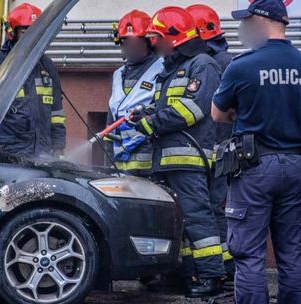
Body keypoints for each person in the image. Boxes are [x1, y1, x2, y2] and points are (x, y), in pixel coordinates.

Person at [211, 0, 301, 303]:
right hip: (298, 165)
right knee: (293, 253)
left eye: (247, 21)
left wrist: (241, 112)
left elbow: (217, 115)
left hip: (254, 168)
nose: (243, 27)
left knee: (248, 253)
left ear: (259, 21)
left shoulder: (242, 65)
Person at [129, 6, 224, 297]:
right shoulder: (170, 69)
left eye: (156, 36)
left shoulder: (202, 64)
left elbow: (193, 109)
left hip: (188, 157)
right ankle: (181, 275)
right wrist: (143, 113)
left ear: (175, 36)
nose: (153, 43)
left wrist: (152, 122)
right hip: (167, 158)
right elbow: (164, 107)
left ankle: (212, 277)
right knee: (177, 221)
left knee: (197, 217)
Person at [0, 3, 66, 158]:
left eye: (37, 32)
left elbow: (57, 112)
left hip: (42, 153)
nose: (32, 37)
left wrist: (58, 147)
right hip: (6, 154)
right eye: (25, 31)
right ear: (11, 33)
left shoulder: (47, 66)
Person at [186, 3, 235, 279]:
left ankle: (225, 271)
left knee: (215, 210)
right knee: (212, 210)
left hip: (218, 152)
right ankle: (221, 270)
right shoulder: (219, 60)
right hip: (214, 151)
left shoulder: (216, 64)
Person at [105, 9, 163, 175]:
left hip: (149, 162)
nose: (129, 47)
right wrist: (108, 157)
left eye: (133, 42)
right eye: (125, 41)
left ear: (148, 42)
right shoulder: (118, 75)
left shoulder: (162, 69)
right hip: (119, 162)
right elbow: (111, 118)